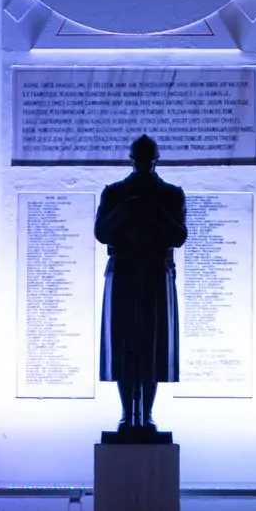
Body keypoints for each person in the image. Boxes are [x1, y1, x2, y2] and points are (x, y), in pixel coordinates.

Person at [94, 134, 186, 433]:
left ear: (155, 160)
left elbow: (178, 237)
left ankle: (145, 414)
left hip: (155, 272)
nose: (144, 165)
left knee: (151, 344)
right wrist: (127, 208)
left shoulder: (170, 195)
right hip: (124, 272)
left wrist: (153, 210)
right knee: (124, 344)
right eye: (139, 160)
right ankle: (126, 413)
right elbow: (102, 233)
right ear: (132, 161)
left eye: (148, 159)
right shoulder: (115, 193)